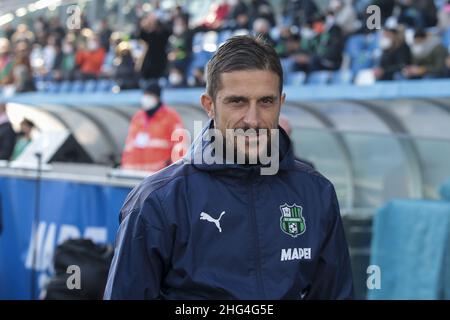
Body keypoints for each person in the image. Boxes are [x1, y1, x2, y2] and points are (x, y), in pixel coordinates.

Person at [105, 36, 354, 299]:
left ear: (281, 103)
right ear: (209, 105)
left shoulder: (316, 192)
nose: (253, 120)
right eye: (238, 102)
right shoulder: (157, 202)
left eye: (266, 102)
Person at [120, 82, 185, 172]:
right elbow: (129, 145)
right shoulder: (137, 117)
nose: (145, 98)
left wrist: (173, 173)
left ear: (157, 97)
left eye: (149, 95)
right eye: (145, 95)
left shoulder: (172, 117)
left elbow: (180, 148)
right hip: (132, 174)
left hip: (158, 176)